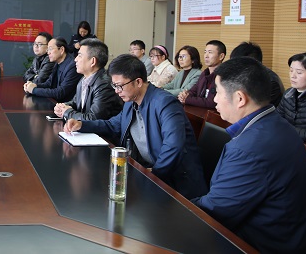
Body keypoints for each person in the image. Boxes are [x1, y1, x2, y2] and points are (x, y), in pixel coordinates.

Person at [192, 57, 306, 253]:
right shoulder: (277, 123)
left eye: (218, 92)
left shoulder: (249, 149)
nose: (214, 99)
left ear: (240, 99)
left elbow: (215, 212)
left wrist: (173, 209)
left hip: (258, 245)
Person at [64, 54, 207, 199]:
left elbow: (173, 146)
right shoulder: (131, 102)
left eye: (119, 86)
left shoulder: (165, 103)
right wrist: (82, 124)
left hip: (175, 184)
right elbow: (113, 125)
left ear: (138, 82)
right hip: (148, 172)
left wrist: (153, 175)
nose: (116, 91)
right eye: (114, 86)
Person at [53, 38, 122, 121]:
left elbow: (93, 119)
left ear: (92, 61)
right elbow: (76, 103)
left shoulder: (104, 84)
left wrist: (67, 112)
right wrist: (63, 106)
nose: (75, 59)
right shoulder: (84, 79)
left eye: (79, 56)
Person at [24, 37, 82, 102]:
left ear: (61, 50)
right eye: (48, 49)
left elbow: (60, 92)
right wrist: (34, 85)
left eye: (50, 49)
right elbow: (49, 83)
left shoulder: (72, 66)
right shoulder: (57, 63)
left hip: (66, 105)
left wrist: (33, 90)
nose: (48, 52)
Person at [230, 41, 284, 107]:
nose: (235, 67)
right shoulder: (245, 75)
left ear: (254, 63)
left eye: (238, 64)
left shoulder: (271, 83)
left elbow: (253, 108)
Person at [178, 40, 226, 109]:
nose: (206, 56)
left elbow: (212, 102)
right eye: (205, 52)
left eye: (210, 52)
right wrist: (184, 95)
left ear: (221, 56)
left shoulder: (222, 76)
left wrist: (187, 99)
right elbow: (193, 90)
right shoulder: (204, 73)